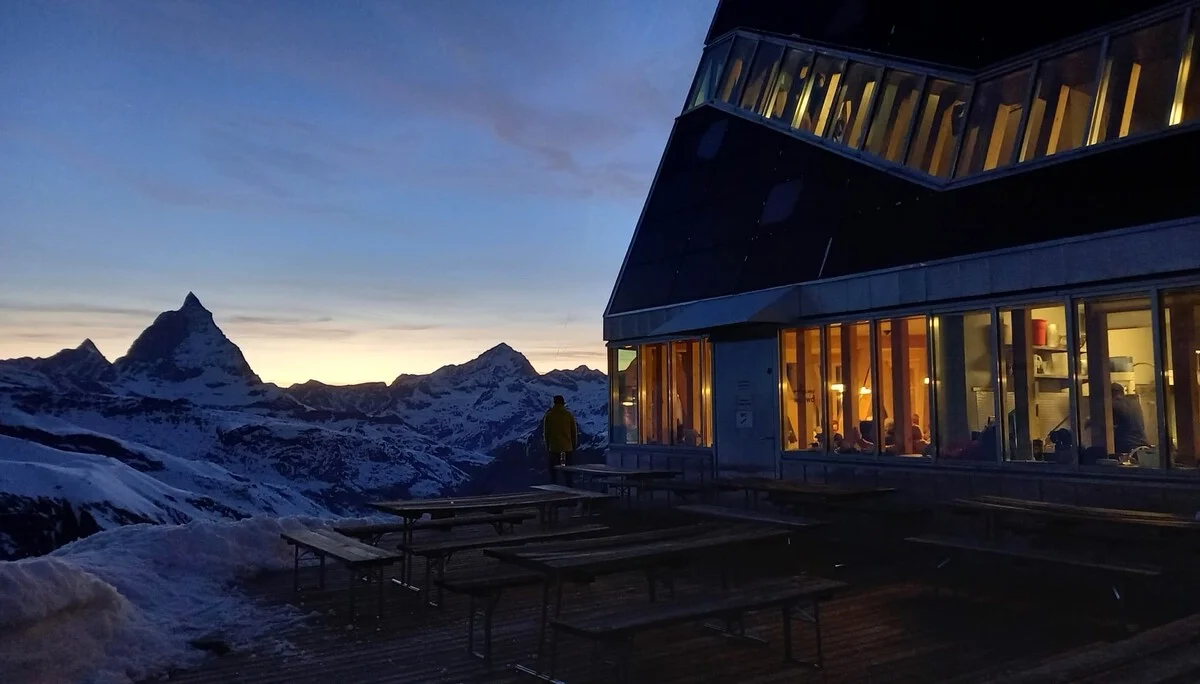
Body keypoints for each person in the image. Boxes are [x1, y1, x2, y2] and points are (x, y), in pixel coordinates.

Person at [543, 395, 578, 485]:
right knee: (568, 473)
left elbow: (546, 433)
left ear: (554, 403)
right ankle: (569, 490)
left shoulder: (549, 416)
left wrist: (548, 447)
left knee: (553, 473)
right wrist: (573, 445)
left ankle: (553, 490)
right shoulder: (569, 415)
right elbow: (573, 432)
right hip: (567, 447)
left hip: (554, 447)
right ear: (563, 403)